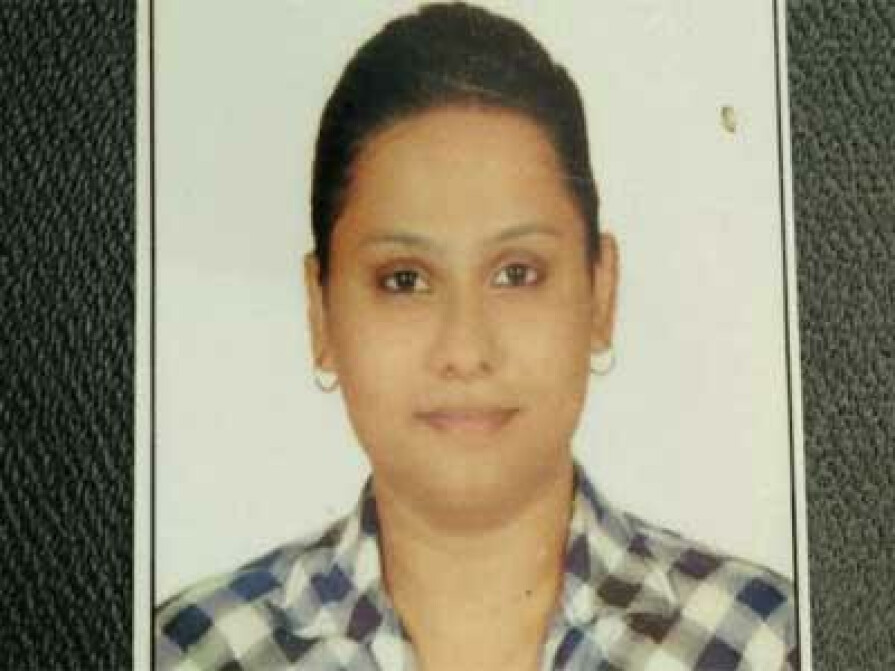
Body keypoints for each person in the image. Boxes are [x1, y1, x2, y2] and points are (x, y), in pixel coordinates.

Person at [155, 3, 798, 669]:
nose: (465, 351)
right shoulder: (190, 651)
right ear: (321, 313)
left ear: (601, 294)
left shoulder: (768, 641)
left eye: (516, 273)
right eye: (404, 279)